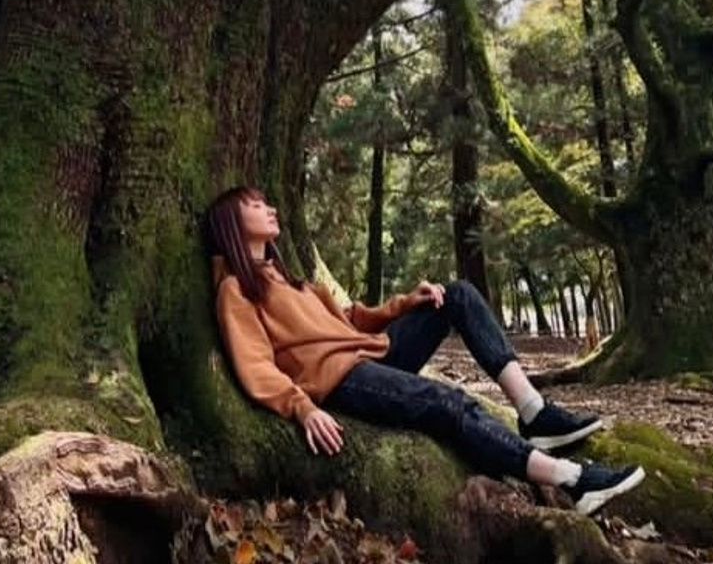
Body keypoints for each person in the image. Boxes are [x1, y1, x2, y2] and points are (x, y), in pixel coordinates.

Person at [206, 186, 645, 517]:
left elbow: (351, 319)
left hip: (371, 353)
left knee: (457, 295)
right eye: (257, 204)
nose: (271, 208)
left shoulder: (292, 280)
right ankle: (572, 480)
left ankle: (534, 411)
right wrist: (302, 409)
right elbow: (256, 366)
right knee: (447, 403)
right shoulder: (236, 290)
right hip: (342, 380)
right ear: (231, 219)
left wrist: (404, 304)